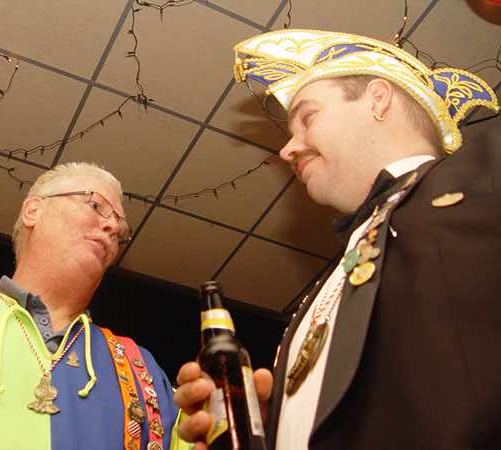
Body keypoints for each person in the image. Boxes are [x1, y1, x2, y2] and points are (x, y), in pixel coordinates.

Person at [174, 29, 501, 449]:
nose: (287, 150)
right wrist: (279, 425)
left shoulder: (486, 174)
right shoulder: (334, 275)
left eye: (308, 118)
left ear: (377, 99)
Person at [0, 162, 179, 449]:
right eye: (95, 205)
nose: (113, 228)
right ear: (33, 211)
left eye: (120, 231)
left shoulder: (143, 372)